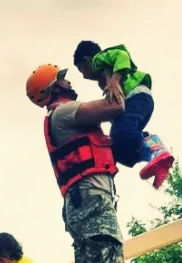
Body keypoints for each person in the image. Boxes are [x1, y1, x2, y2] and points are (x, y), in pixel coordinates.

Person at [25, 63, 150, 263]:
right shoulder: (64, 113)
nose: (71, 82)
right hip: (92, 203)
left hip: (81, 204)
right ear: (54, 88)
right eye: (64, 79)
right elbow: (116, 106)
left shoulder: (61, 116)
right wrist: (113, 78)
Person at [72, 41, 174, 189]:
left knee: (122, 132)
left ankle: (155, 147)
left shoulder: (98, 59)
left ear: (86, 60)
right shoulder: (103, 73)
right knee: (118, 146)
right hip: (140, 102)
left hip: (137, 96)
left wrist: (114, 80)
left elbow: (122, 55)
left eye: (81, 69)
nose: (83, 76)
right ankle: (155, 160)